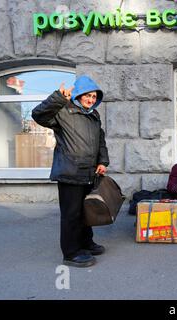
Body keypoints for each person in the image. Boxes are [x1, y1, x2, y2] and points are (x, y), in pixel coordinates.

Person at [32, 75, 109, 268]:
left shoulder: (94, 115)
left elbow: (100, 141)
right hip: (69, 171)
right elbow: (38, 115)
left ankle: (86, 243)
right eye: (87, 95)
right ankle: (71, 252)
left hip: (89, 172)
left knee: (86, 210)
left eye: (93, 96)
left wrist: (102, 161)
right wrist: (58, 97)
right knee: (71, 214)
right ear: (78, 94)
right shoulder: (63, 110)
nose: (90, 99)